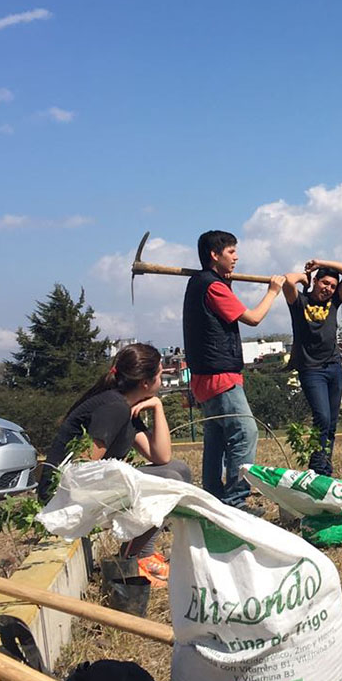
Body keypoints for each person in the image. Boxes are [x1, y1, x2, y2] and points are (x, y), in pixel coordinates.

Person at [40, 343, 191, 583]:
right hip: (63, 493)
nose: (163, 379)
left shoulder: (127, 406)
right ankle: (131, 561)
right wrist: (127, 481)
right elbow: (84, 465)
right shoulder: (114, 408)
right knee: (170, 482)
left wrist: (157, 406)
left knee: (178, 470)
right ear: (145, 382)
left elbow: (161, 456)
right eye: (160, 374)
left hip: (85, 484)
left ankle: (143, 554)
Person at [182, 230, 285, 509]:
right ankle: (235, 503)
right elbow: (252, 318)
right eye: (231, 252)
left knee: (216, 439)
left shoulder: (202, 284)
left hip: (203, 379)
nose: (236, 257)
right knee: (245, 432)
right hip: (220, 377)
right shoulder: (213, 287)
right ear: (215, 255)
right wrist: (273, 292)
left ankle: (214, 500)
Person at [282, 258, 342, 476]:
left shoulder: (334, 302)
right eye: (324, 283)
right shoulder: (299, 302)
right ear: (315, 282)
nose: (328, 289)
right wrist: (304, 276)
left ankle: (325, 467)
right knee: (322, 418)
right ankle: (317, 467)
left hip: (333, 366)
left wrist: (322, 263)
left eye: (333, 286)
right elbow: (288, 281)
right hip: (311, 369)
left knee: (332, 422)